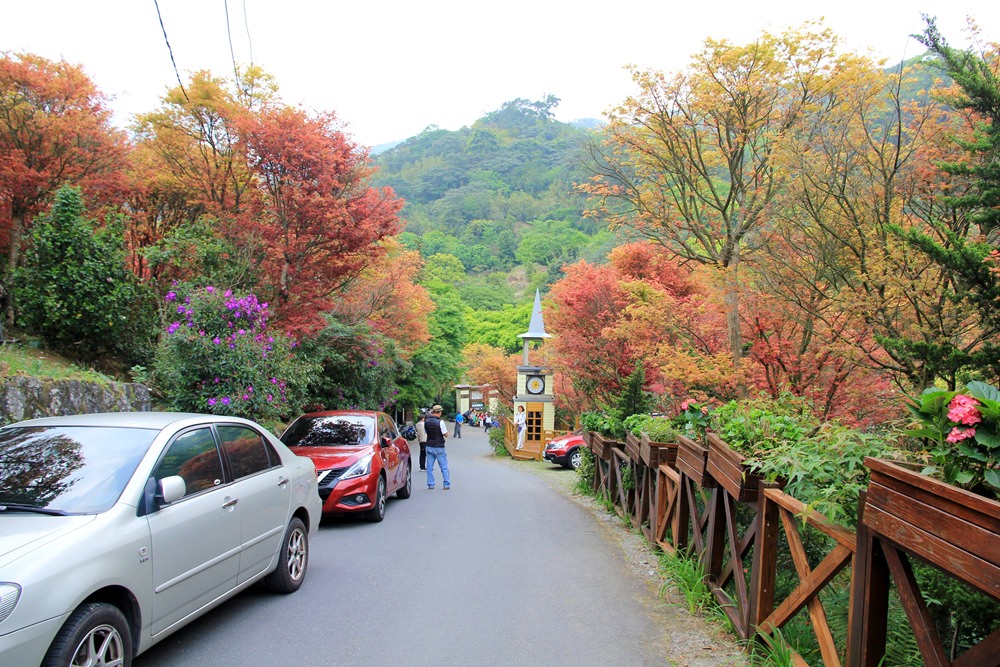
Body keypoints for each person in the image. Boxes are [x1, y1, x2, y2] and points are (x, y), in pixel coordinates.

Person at [424, 405, 450, 490]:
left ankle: (431, 484)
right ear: (439, 412)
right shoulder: (440, 422)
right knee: (444, 466)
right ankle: (446, 484)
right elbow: (445, 434)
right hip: (439, 446)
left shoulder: (426, 421)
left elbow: (426, 432)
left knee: (429, 467)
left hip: (429, 445)